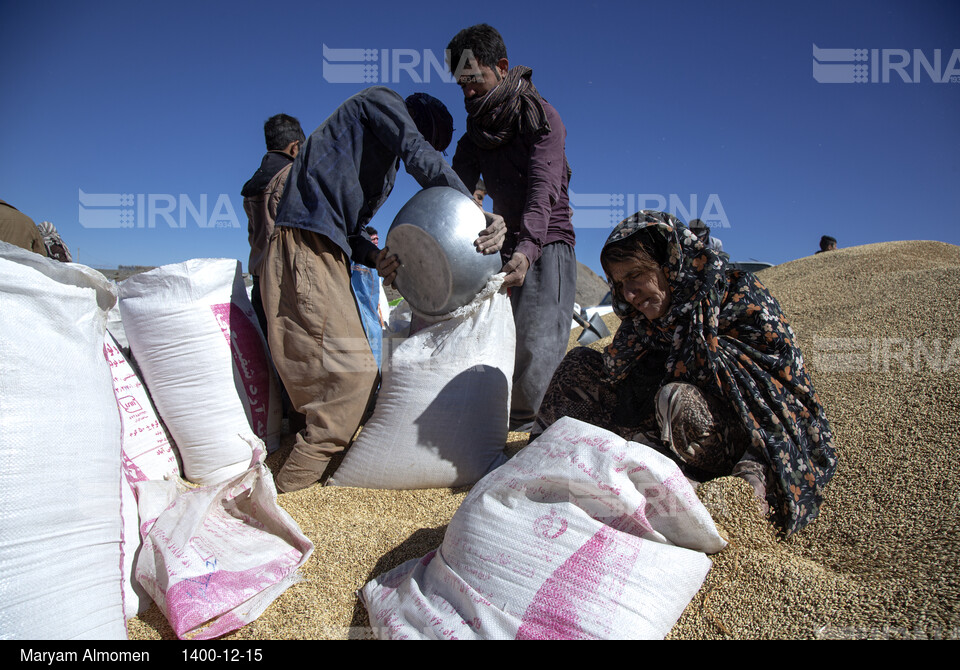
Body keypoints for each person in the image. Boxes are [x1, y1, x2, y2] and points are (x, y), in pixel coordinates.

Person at [261, 86, 505, 493]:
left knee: (343, 374)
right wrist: (470, 208)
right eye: (435, 144)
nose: (433, 153)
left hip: (329, 251)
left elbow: (354, 231)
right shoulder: (379, 101)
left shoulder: (382, 170)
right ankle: (286, 496)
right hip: (306, 244)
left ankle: (300, 478)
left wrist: (377, 258)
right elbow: (418, 154)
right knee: (352, 376)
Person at [533, 210, 837, 536]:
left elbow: (774, 390)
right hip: (659, 423)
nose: (630, 294)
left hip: (742, 428)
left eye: (637, 275)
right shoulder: (642, 322)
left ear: (670, 262)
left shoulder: (735, 297)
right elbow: (613, 371)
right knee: (579, 363)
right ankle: (541, 463)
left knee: (676, 398)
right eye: (621, 284)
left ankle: (702, 478)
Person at [446, 23, 577, 431]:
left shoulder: (541, 118)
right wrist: (477, 217)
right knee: (501, 348)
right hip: (503, 249)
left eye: (475, 81)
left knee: (536, 354)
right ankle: (500, 440)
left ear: (501, 67)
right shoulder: (474, 136)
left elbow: (544, 191)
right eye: (461, 85)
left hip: (546, 244)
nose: (468, 93)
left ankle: (536, 447)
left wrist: (526, 250)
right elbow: (454, 194)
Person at [242, 113, 305, 338]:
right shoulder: (291, 176)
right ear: (295, 147)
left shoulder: (254, 182)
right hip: (286, 284)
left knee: (273, 355)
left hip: (260, 280)